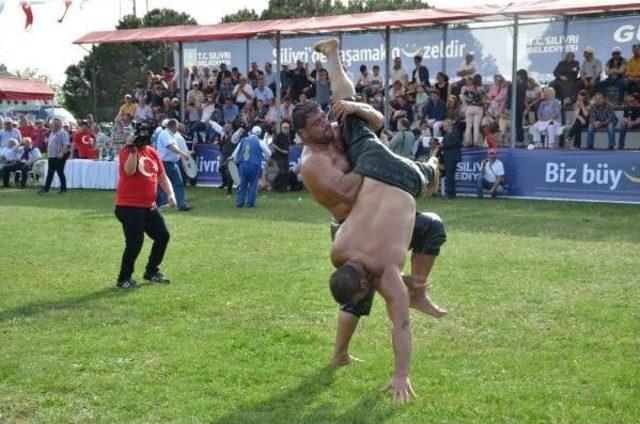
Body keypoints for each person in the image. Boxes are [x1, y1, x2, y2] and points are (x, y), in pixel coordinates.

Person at [299, 38, 441, 403]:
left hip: (381, 185)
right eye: (317, 124)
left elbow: (375, 119)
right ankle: (340, 353)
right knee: (356, 299)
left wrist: (355, 108)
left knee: (430, 227)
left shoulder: (351, 258)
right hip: (366, 197)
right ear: (303, 134)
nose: (326, 124)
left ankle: (418, 290)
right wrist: (370, 165)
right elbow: (346, 198)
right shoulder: (313, 165)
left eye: (324, 118)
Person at [114, 123, 177, 289]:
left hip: (148, 206)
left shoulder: (152, 152)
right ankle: (123, 279)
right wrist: (133, 150)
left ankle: (151, 272)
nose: (143, 137)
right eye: (139, 134)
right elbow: (129, 171)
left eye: (145, 134)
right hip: (128, 206)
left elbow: (162, 176)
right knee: (135, 243)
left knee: (163, 236)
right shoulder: (127, 151)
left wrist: (170, 193)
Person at [155, 119, 193, 211]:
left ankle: (181, 205)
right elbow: (170, 146)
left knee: (178, 183)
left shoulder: (173, 135)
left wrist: (185, 153)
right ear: (173, 126)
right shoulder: (165, 134)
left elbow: (176, 146)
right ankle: (163, 203)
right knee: (162, 184)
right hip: (165, 163)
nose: (178, 127)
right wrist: (182, 154)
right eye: (177, 126)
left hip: (172, 163)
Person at [232, 126, 271, 208]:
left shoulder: (243, 140)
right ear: (260, 134)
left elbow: (236, 152)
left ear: (251, 132)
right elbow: (269, 153)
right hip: (255, 164)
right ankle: (250, 203)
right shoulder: (260, 142)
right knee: (253, 185)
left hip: (243, 164)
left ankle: (240, 202)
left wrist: (232, 159)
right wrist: (261, 155)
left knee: (242, 184)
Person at [38, 118, 70, 195]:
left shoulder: (63, 133)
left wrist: (62, 153)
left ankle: (59, 189)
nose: (56, 125)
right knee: (52, 173)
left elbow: (65, 144)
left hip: (59, 156)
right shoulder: (52, 133)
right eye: (55, 124)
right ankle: (51, 189)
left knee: (59, 173)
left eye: (58, 124)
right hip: (51, 156)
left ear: (60, 124)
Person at [440, 120, 462, 199]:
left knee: (450, 176)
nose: (443, 127)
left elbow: (455, 143)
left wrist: (443, 146)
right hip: (448, 157)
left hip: (452, 158)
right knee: (449, 176)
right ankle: (452, 193)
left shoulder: (455, 133)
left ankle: (449, 193)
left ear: (449, 126)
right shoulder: (447, 134)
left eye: (445, 126)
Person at [462, 75, 485, 147]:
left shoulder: (467, 89)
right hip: (478, 108)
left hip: (469, 108)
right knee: (476, 127)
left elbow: (464, 100)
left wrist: (464, 108)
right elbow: (483, 100)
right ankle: (475, 143)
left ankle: (467, 142)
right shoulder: (481, 89)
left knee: (468, 127)